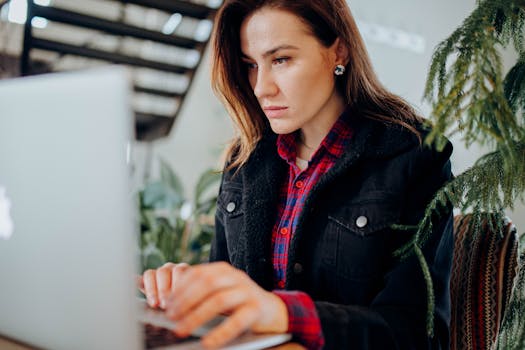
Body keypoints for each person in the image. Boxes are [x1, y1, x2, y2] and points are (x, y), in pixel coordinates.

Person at [140, 0, 454, 349]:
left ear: (339, 52)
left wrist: (285, 313)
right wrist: (190, 290)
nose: (261, 87)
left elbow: (418, 333)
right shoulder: (243, 163)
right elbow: (228, 297)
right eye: (250, 65)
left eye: (280, 59)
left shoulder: (414, 156)